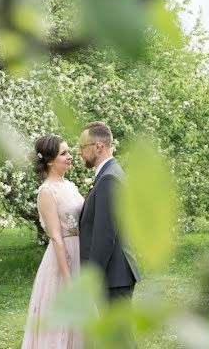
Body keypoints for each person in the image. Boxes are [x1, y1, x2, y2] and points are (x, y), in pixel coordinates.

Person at [21, 134, 85, 349]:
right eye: (64, 153)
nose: (70, 157)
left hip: (81, 253)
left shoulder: (70, 185)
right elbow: (56, 238)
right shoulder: (47, 191)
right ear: (49, 161)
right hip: (63, 258)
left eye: (69, 152)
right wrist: (68, 279)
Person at [77, 121, 140, 301]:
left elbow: (104, 234)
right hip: (114, 275)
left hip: (113, 276)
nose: (79, 153)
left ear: (98, 146)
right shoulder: (110, 173)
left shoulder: (109, 178)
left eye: (82, 147)